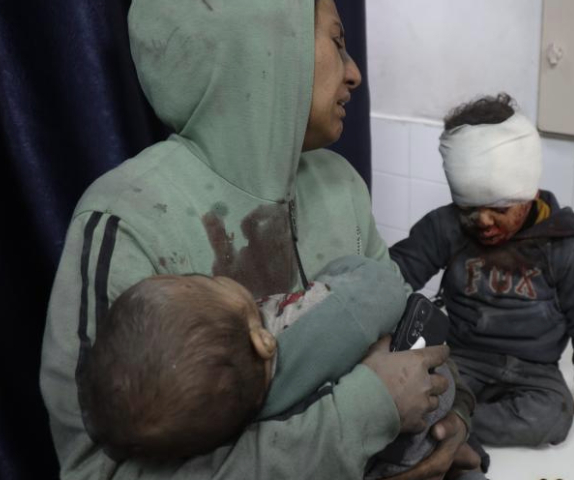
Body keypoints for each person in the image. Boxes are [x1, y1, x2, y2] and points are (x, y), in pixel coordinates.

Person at [40, 0, 478, 478]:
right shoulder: (127, 217)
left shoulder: (339, 182)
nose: (354, 74)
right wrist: (364, 413)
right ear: (266, 40)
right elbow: (98, 472)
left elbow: (405, 326)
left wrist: (451, 413)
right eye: (336, 41)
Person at [389, 93, 574, 448]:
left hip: (535, 370)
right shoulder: (447, 228)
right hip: (462, 357)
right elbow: (395, 274)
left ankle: (457, 422)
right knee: (412, 392)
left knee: (553, 418)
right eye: (470, 208)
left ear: (527, 196)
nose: (483, 221)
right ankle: (454, 417)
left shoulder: (562, 244)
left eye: (499, 209)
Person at [83, 255, 457, 479]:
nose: (205, 276)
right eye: (204, 283)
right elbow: (383, 286)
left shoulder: (226, 418)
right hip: (417, 422)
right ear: (263, 341)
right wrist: (330, 280)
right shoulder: (302, 336)